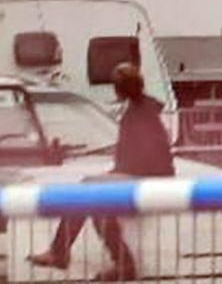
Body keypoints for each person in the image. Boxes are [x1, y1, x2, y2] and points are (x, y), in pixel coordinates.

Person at [28, 63, 175, 281]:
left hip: (151, 178)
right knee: (91, 189)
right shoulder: (142, 109)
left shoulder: (138, 113)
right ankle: (63, 252)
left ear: (120, 88)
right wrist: (114, 174)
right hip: (148, 175)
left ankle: (118, 263)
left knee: (93, 193)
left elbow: (147, 157)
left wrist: (116, 175)